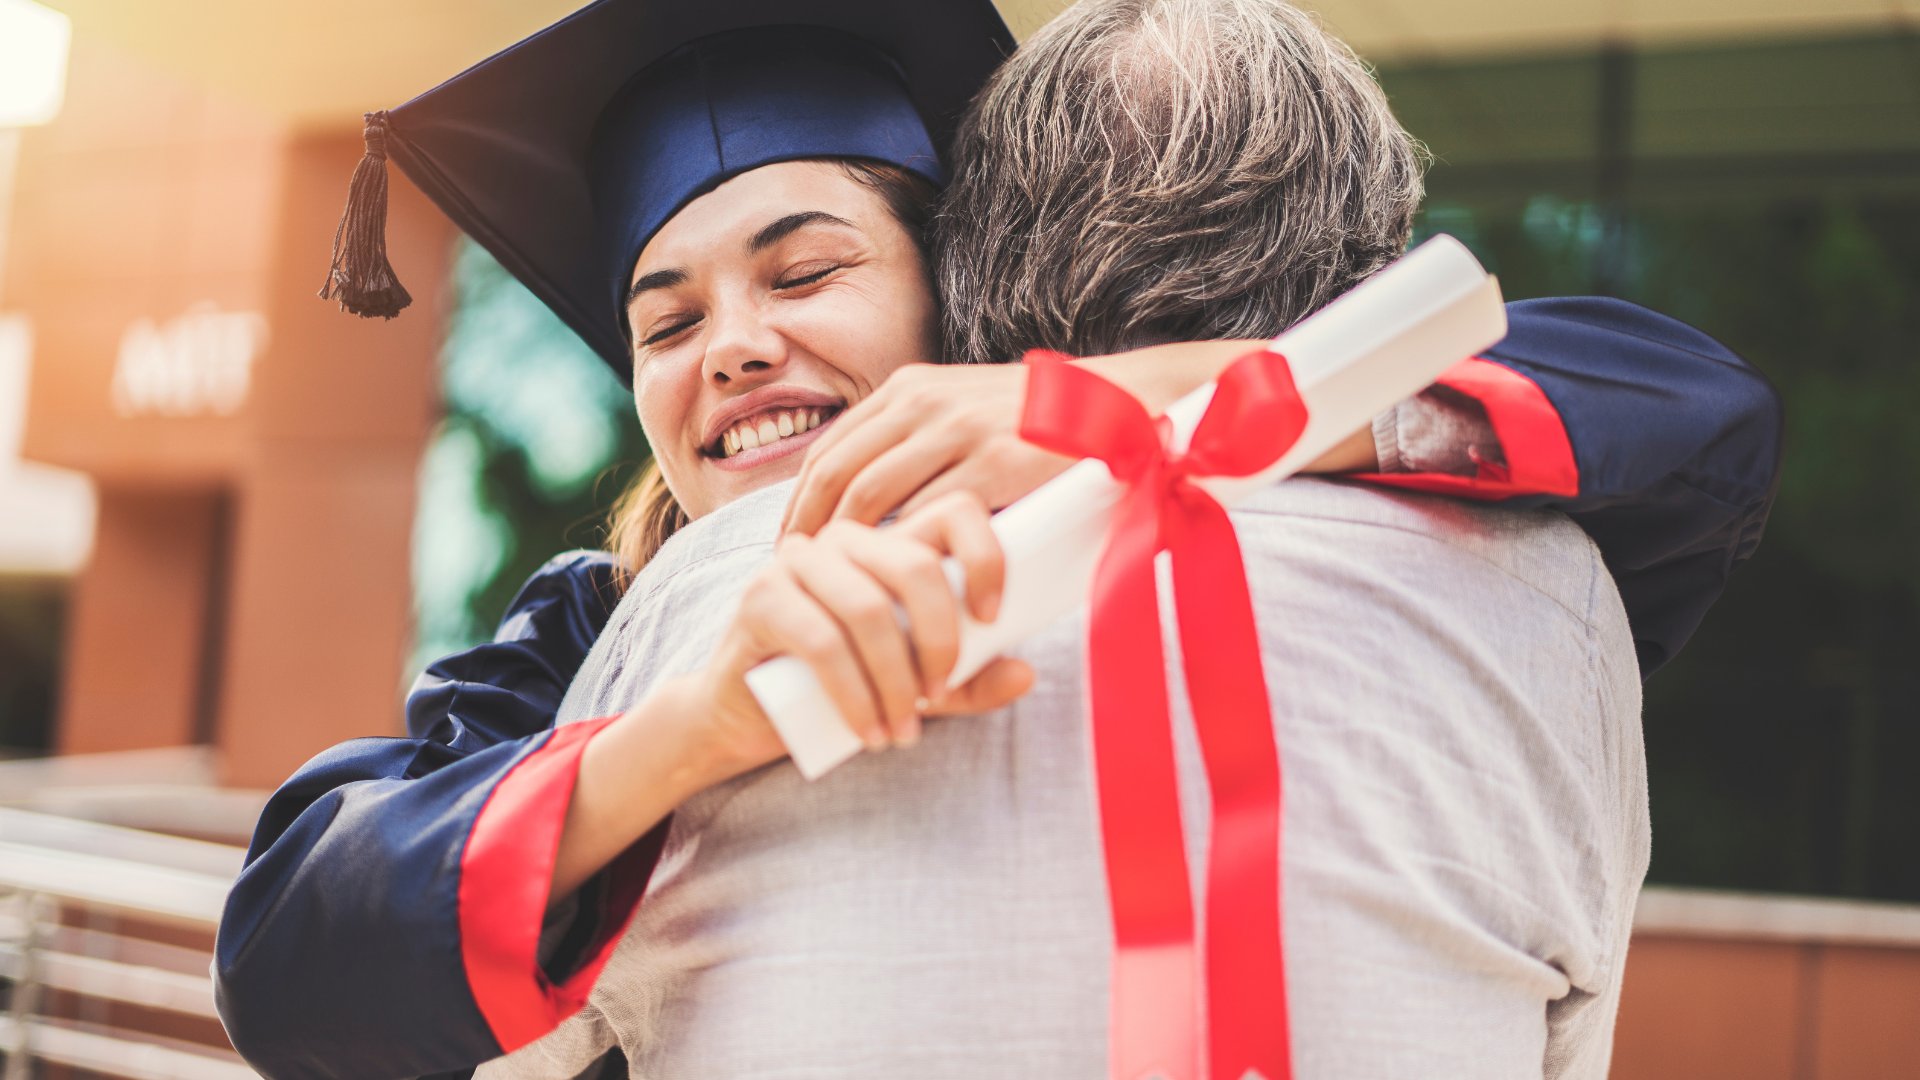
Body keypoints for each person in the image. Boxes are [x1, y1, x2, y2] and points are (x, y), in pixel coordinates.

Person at [215, 1, 1779, 1076]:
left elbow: (1672, 397)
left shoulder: (1271, 491)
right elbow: (296, 948)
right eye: (666, 318)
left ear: (964, 300)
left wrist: (1112, 406)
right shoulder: (611, 623)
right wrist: (685, 734)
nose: (735, 348)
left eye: (806, 271)